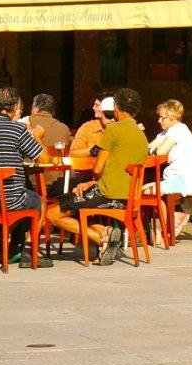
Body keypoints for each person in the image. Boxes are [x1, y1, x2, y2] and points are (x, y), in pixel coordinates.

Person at [0, 91, 82, 265]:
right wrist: (37, 137)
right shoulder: (17, 129)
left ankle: (7, 245)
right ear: (13, 107)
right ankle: (28, 250)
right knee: (39, 201)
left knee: (25, 193)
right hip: (11, 201)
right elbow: (42, 158)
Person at [62, 98, 148, 263]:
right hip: (128, 197)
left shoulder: (113, 130)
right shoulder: (141, 134)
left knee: (52, 213)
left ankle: (102, 237)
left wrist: (92, 181)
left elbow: (97, 170)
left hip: (107, 193)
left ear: (116, 107)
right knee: (82, 206)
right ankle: (106, 232)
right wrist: (91, 182)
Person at [150, 99, 192, 237]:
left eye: (162, 117)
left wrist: (152, 150)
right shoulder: (165, 133)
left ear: (172, 117)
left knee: (149, 192)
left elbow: (160, 152)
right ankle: (170, 223)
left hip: (186, 178)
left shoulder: (178, 129)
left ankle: (169, 225)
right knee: (144, 190)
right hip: (176, 177)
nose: (159, 121)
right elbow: (150, 147)